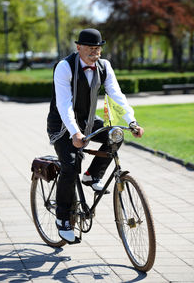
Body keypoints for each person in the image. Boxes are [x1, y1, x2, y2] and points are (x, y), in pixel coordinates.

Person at [47, 28, 144, 242]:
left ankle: (92, 175)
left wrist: (131, 121)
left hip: (88, 121)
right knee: (70, 166)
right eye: (91, 48)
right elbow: (64, 105)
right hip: (62, 125)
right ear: (78, 47)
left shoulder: (104, 66)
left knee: (116, 136)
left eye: (98, 48)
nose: (95, 52)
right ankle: (62, 218)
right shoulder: (64, 67)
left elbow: (117, 94)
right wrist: (75, 133)